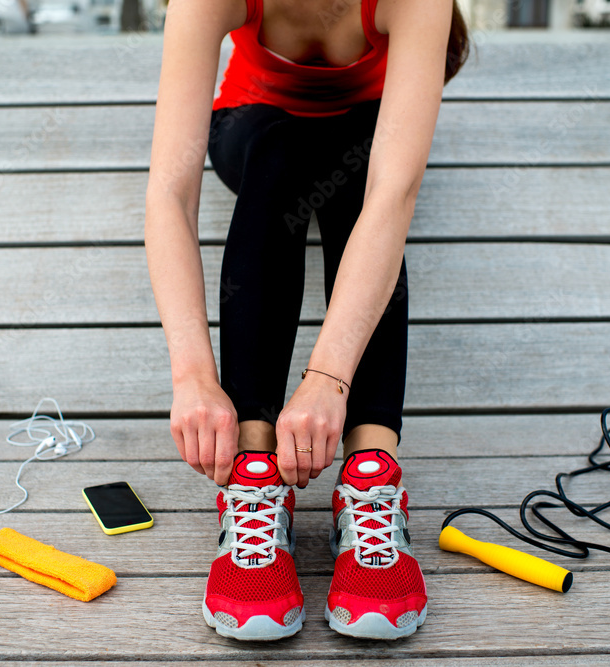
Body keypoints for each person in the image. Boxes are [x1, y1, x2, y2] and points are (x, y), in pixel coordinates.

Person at [145, 0, 469, 641]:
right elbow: (169, 194)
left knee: (359, 184)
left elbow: (393, 193)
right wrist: (192, 375)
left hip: (369, 129)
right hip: (254, 126)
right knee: (278, 154)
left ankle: (372, 470)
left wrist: (328, 378)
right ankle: (255, 472)